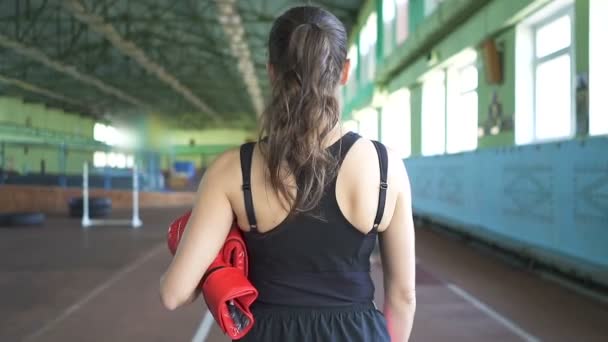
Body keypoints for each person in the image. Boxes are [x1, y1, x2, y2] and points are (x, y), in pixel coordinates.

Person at [160, 6, 416, 341]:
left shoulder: (231, 170)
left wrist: (213, 266)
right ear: (345, 72)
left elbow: (173, 293)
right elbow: (403, 296)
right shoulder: (386, 166)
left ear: (271, 72)